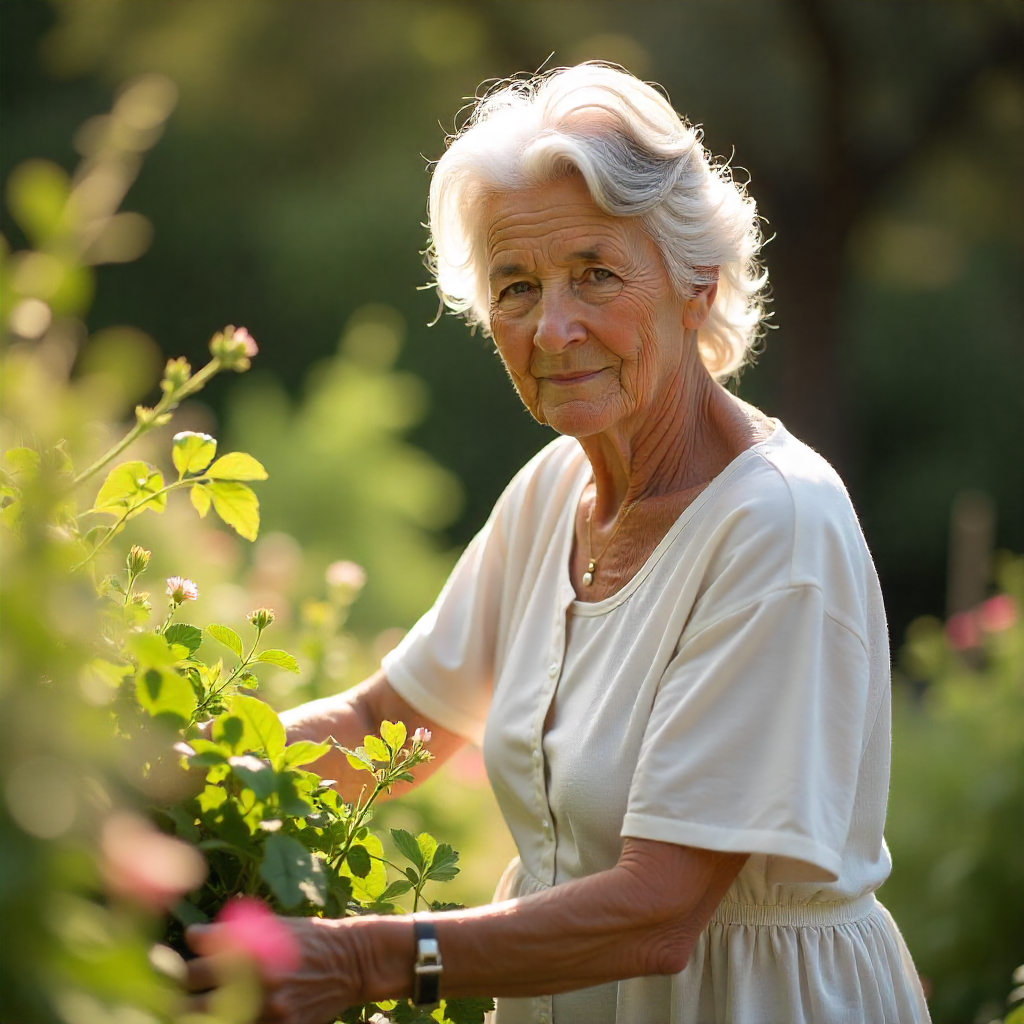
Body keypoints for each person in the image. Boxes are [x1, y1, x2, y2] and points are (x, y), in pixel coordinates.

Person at [186, 63, 931, 1024]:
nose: (554, 328)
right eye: (516, 287)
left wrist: (369, 959)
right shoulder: (554, 492)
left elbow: (660, 913)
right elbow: (385, 726)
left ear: (695, 286)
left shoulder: (774, 526)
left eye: (596, 275)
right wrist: (165, 768)